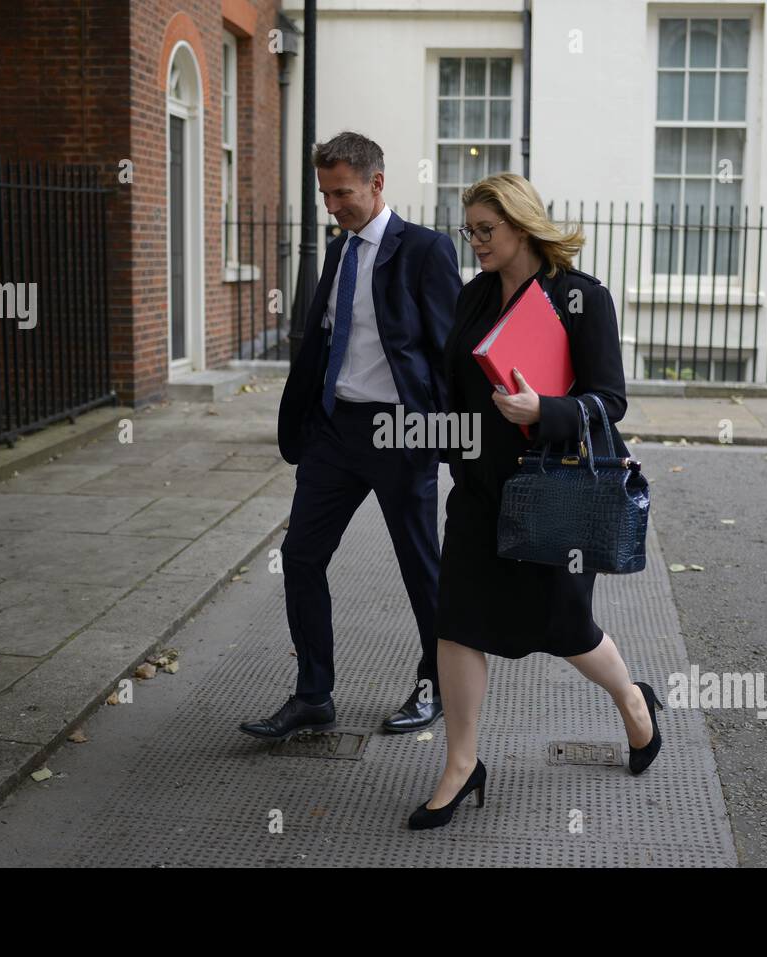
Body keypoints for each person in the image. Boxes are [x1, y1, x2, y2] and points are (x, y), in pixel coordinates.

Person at [407, 172, 663, 830]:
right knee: (456, 620)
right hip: (477, 491)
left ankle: (635, 704)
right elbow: (456, 394)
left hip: (554, 492)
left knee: (564, 628)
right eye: (470, 231)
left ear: (522, 225)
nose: (476, 243)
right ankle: (462, 763)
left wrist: (541, 409)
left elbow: (608, 400)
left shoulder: (581, 297)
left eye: (486, 231)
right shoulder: (472, 299)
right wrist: (426, 437)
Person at [241, 132, 461, 741]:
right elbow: (325, 338)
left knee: (421, 567)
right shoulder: (340, 251)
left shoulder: (425, 249)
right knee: (302, 556)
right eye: (325, 195)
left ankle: (434, 688)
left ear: (377, 183)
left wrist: (438, 435)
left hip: (399, 431)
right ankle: (313, 695)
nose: (333, 207)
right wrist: (309, 420)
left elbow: (449, 356)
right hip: (335, 432)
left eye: (343, 194)